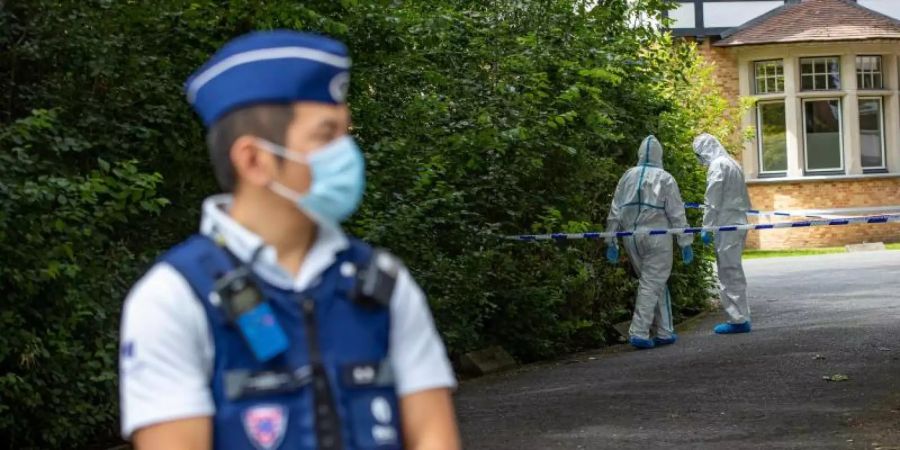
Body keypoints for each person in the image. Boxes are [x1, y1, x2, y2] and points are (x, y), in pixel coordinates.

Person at [118, 30, 461, 450]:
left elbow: (433, 435)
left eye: (344, 132)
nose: (347, 152)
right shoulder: (173, 299)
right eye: (325, 136)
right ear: (253, 160)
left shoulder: (383, 283)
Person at [605, 135, 694, 350]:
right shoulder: (665, 178)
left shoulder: (627, 176)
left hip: (631, 238)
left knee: (653, 282)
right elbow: (676, 212)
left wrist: (611, 239)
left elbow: (615, 209)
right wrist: (685, 241)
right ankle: (639, 331)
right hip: (657, 237)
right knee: (651, 283)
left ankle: (664, 331)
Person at [693, 133, 753, 335]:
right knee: (733, 269)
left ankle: (738, 319)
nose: (700, 160)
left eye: (699, 155)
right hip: (738, 221)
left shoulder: (718, 165)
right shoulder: (732, 163)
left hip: (726, 224)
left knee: (728, 272)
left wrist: (706, 227)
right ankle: (741, 316)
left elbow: (713, 198)